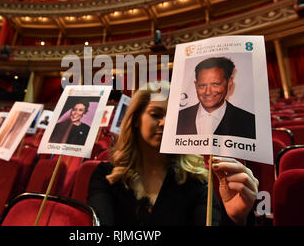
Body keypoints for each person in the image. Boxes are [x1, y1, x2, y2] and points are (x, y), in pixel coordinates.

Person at [87, 83, 258, 226]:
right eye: (156, 114)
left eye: (173, 117)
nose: (164, 123)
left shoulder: (196, 180)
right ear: (135, 119)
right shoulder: (105, 176)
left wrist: (236, 218)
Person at [176, 57, 256, 139]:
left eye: (215, 84)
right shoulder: (178, 119)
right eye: (202, 85)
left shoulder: (250, 122)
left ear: (229, 83)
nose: (207, 92)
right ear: (196, 85)